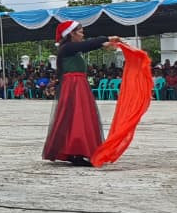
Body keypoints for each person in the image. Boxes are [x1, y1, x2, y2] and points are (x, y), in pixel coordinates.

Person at [43, 20, 121, 166]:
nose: (83, 33)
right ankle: (76, 151)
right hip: (73, 85)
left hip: (78, 85)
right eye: (80, 31)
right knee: (76, 116)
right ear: (71, 34)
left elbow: (87, 46)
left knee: (77, 117)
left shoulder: (71, 49)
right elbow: (87, 45)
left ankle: (76, 151)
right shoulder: (67, 48)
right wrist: (106, 39)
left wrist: (105, 43)